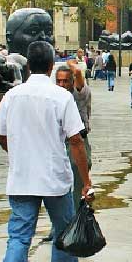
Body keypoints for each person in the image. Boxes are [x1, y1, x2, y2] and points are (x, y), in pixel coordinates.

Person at [0, 41, 92, 262]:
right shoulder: (61, 97)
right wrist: (86, 181)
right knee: (64, 234)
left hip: (22, 179)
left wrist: (20, 155)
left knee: (20, 237)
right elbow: (76, 141)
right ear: (50, 67)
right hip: (55, 180)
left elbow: (1, 135)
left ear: (27, 66)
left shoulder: (13, 95)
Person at [54, 64, 92, 212]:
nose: (62, 85)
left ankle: (73, 224)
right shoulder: (55, 96)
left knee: (76, 187)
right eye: (59, 81)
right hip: (61, 144)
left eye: (65, 81)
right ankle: (59, 228)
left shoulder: (79, 94)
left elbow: (77, 72)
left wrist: (72, 62)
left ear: (73, 82)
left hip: (77, 142)